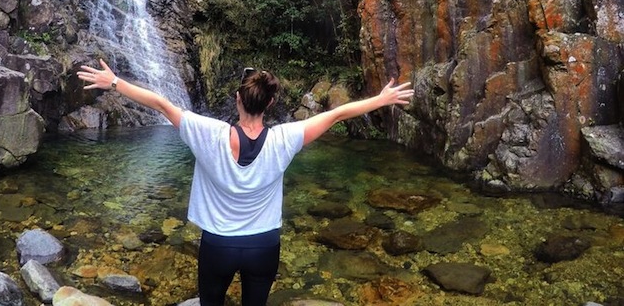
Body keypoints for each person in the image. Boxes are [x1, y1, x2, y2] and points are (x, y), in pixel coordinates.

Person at [77, 59, 414, 306]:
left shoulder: (208, 134)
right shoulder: (286, 138)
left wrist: (115, 82)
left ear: (238, 99)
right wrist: (381, 100)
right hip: (264, 247)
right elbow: (338, 114)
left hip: (218, 245)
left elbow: (163, 104)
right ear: (270, 103)